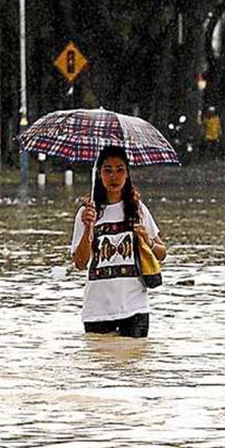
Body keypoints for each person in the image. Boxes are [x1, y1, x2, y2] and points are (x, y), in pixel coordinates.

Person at [70, 145, 167, 338]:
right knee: (100, 366)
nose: (114, 176)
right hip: (97, 310)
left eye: (119, 170)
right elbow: (80, 264)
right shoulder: (87, 213)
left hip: (134, 308)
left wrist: (148, 240)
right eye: (108, 170)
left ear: (127, 174)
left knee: (133, 365)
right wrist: (89, 228)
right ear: (99, 174)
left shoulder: (138, 209)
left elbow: (162, 253)